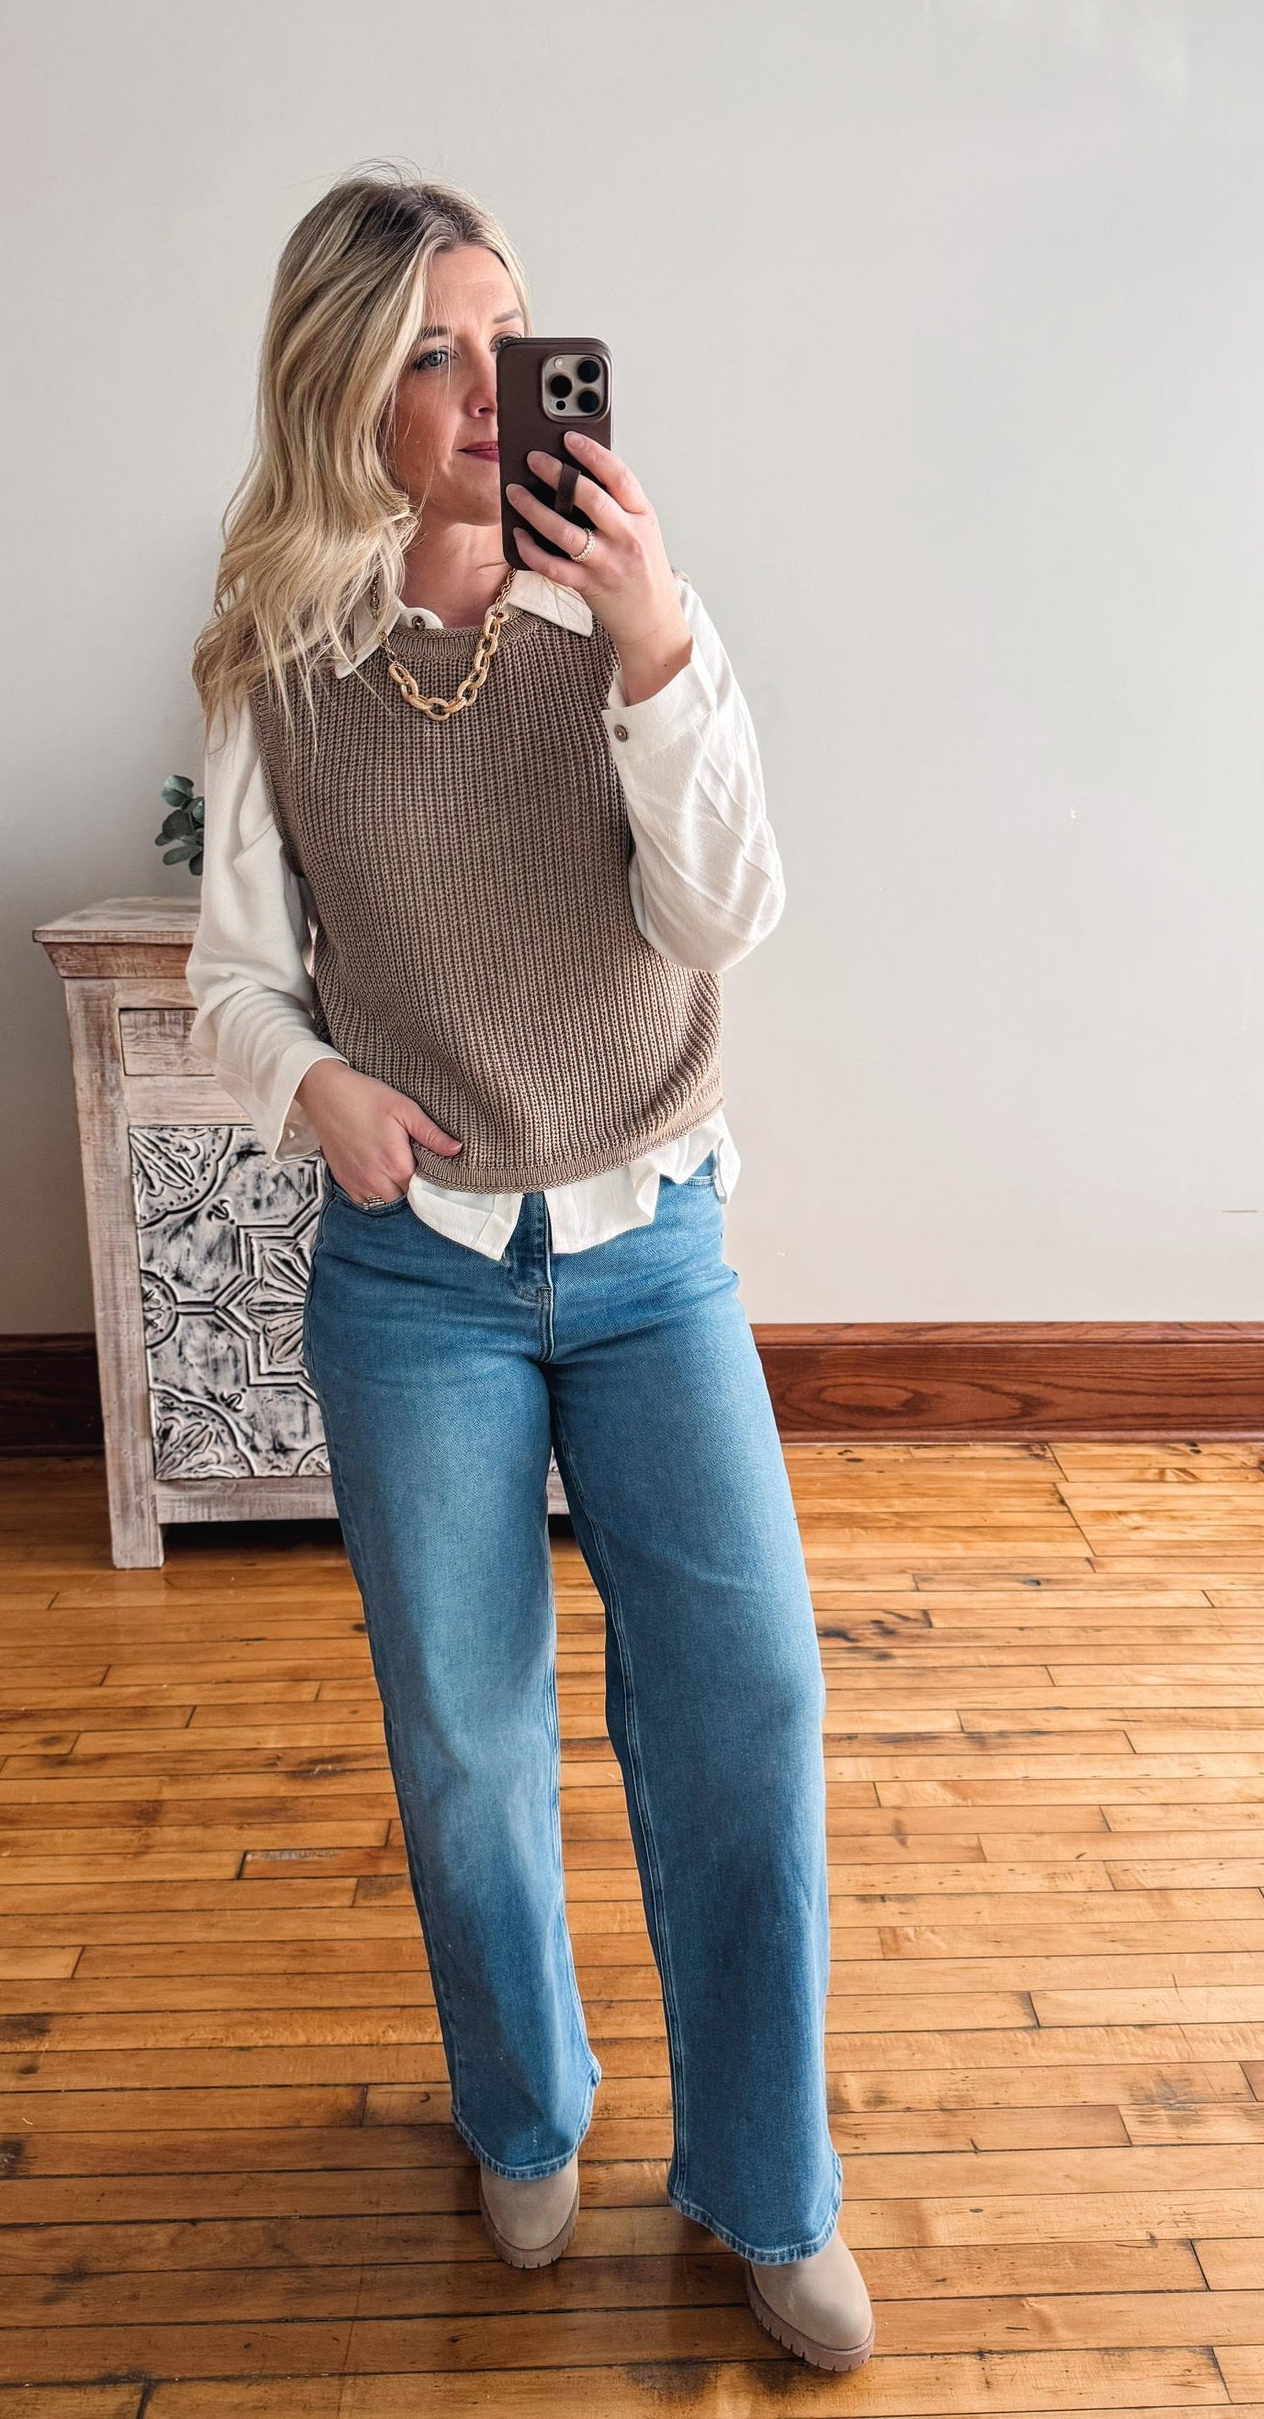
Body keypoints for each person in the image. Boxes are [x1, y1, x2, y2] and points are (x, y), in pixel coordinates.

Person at [187, 161, 874, 2373]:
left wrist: (659, 643)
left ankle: (770, 2188)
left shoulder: (633, 614)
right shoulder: (274, 656)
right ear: (344, 396)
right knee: (466, 1735)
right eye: (429, 354)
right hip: (420, 1281)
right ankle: (523, 2107)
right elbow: (226, 980)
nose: (490, 388)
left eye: (509, 336)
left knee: (750, 1699)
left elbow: (725, 917)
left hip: (657, 1247)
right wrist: (317, 1090)